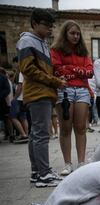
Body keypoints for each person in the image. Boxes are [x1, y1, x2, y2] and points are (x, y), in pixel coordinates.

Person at [16, 8, 66, 187]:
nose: (50, 29)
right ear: (34, 24)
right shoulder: (27, 40)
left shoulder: (40, 42)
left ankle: (37, 172)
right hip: (38, 93)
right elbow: (28, 69)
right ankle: (43, 173)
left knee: (36, 134)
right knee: (41, 134)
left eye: (51, 26)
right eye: (46, 26)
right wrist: (54, 81)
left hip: (42, 93)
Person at [50, 20, 93, 175]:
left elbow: (90, 72)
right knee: (65, 128)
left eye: (77, 33)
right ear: (65, 34)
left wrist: (69, 69)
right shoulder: (56, 50)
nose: (75, 36)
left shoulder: (83, 52)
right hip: (64, 90)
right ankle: (67, 164)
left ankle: (81, 162)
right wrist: (78, 70)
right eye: (72, 33)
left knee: (81, 127)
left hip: (82, 90)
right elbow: (56, 70)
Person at [9, 72, 29, 143]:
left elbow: (20, 86)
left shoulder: (21, 72)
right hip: (24, 97)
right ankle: (26, 134)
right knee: (23, 117)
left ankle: (23, 134)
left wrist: (15, 97)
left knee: (12, 117)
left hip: (18, 98)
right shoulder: (25, 71)